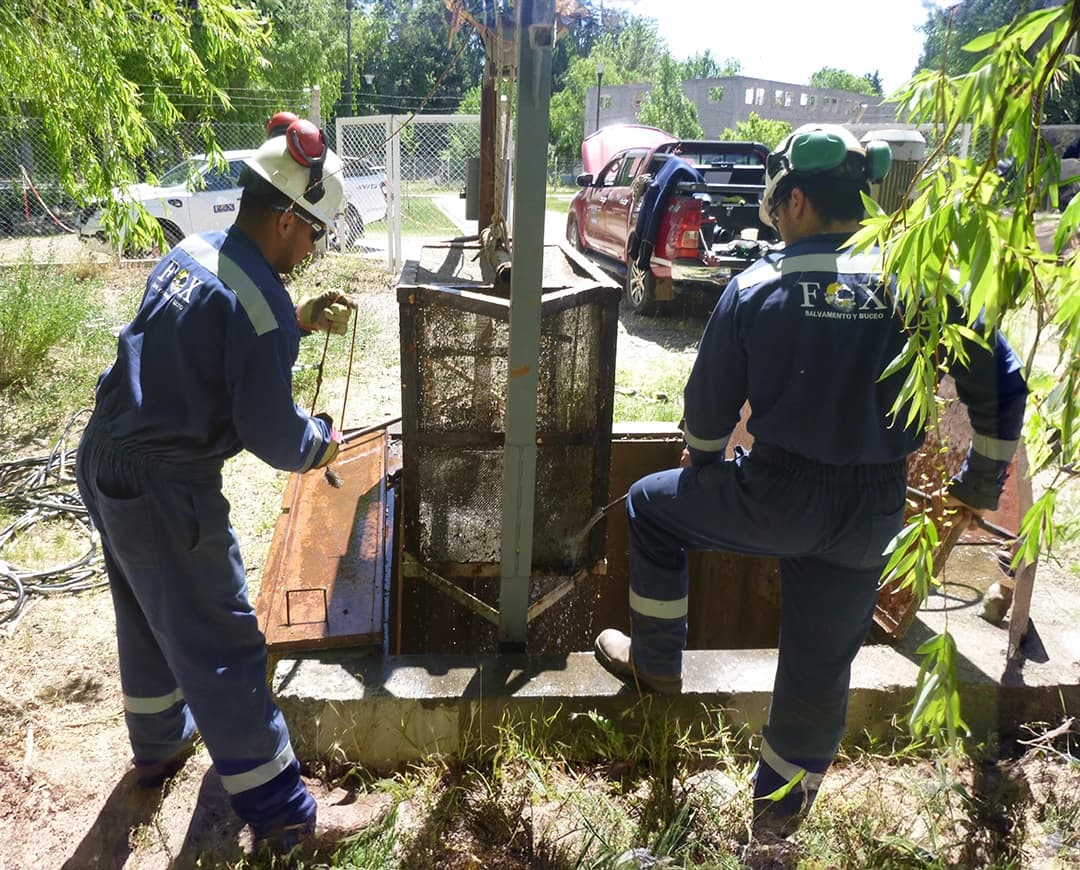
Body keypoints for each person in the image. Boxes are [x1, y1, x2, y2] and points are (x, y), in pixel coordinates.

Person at [593, 124, 1028, 838]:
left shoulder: (758, 286)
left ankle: (658, 663)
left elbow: (706, 417)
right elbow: (1003, 382)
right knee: (818, 671)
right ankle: (773, 825)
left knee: (651, 507)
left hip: (774, 495)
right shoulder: (918, 285)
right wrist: (980, 483)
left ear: (796, 199)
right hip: (873, 513)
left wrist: (703, 475)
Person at [76, 115, 356, 852]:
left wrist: (296, 317)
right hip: (169, 487)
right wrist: (319, 443)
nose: (314, 248)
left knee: (144, 608)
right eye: (315, 234)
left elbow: (207, 328)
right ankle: (285, 815)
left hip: (105, 458)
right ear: (290, 220)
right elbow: (272, 434)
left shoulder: (194, 249)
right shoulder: (261, 306)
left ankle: (160, 743)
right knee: (222, 637)